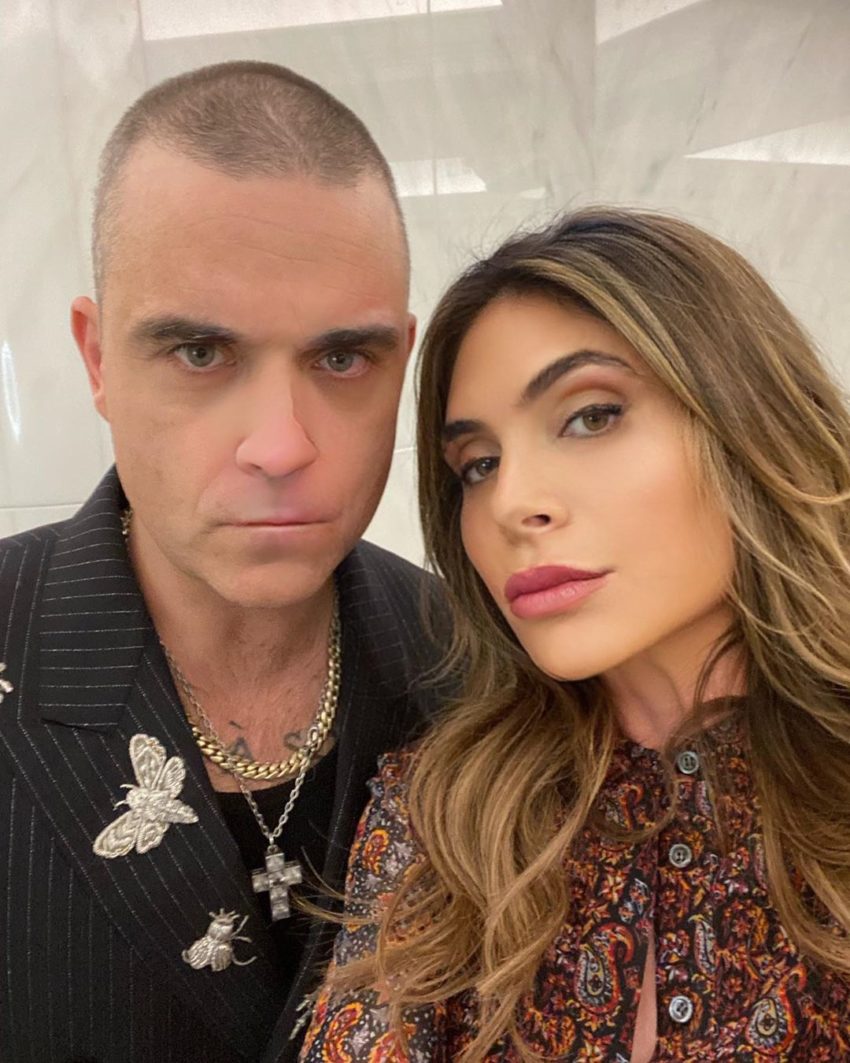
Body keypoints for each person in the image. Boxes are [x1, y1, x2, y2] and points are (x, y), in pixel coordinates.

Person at [300, 207, 850, 1061]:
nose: (512, 502)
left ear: (749, 418)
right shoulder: (440, 816)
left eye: (591, 416)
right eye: (478, 465)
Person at [0, 62, 449, 1063]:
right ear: (97, 359)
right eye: (201, 354)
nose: (280, 446)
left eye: (342, 358)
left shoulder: (475, 667)